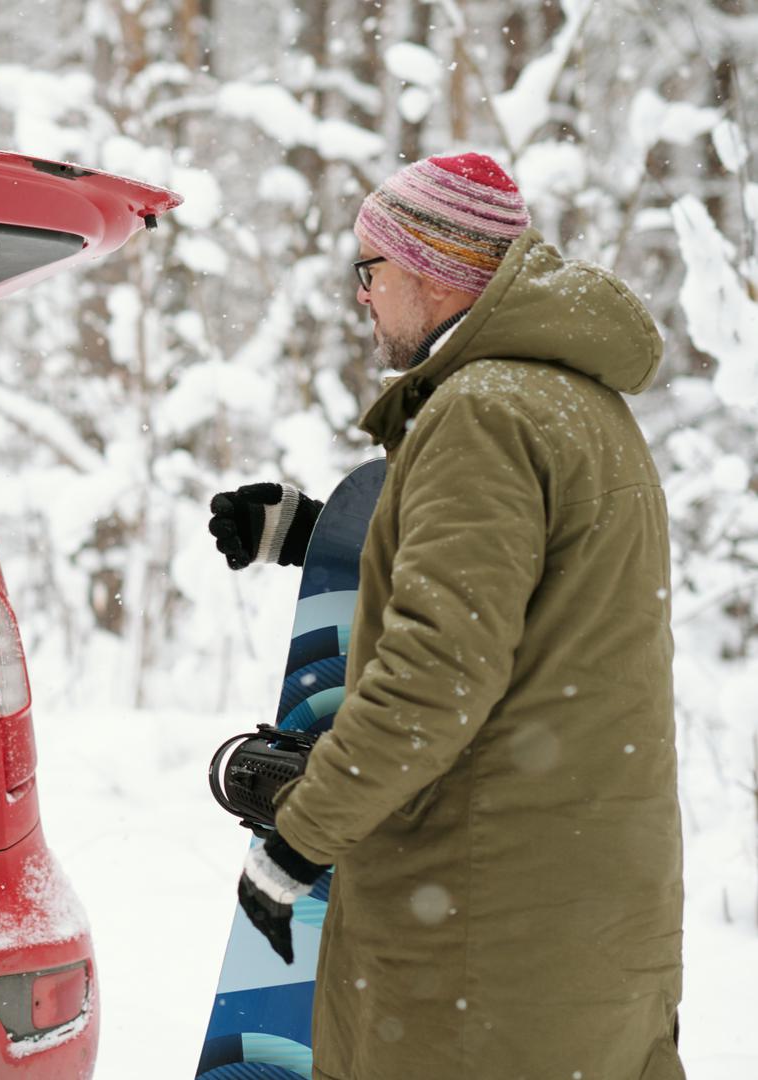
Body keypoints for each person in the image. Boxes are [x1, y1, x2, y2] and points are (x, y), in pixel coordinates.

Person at [208, 153, 684, 1079]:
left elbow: (436, 677)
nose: (361, 297)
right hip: (586, 900)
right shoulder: (580, 404)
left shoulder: (479, 413)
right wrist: (315, 533)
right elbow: (535, 594)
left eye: (369, 271)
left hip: (482, 917)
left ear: (426, 270)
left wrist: (299, 840)